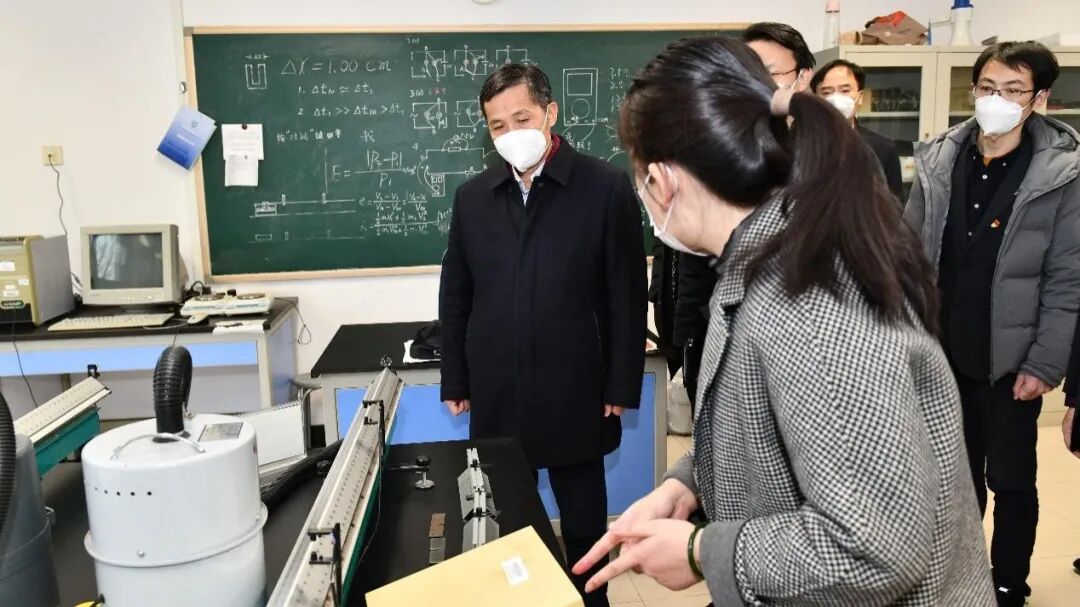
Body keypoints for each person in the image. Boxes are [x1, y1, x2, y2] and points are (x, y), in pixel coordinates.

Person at [573, 36, 994, 605]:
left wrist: (702, 551)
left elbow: (876, 548)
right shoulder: (764, 257)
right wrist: (688, 483)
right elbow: (774, 426)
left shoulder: (806, 299)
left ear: (663, 180)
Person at [438, 63, 647, 606]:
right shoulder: (473, 197)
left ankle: (591, 600)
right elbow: (456, 295)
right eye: (497, 125)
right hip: (498, 387)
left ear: (550, 113)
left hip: (577, 387)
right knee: (509, 521)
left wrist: (621, 384)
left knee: (584, 524)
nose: (511, 133)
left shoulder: (603, 187)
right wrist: (455, 377)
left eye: (522, 118)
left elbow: (627, 294)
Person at [904, 41, 1080, 606]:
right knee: (950, 482)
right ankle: (956, 578)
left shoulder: (1063, 173)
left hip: (1011, 360)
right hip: (940, 352)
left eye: (1013, 90)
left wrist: (1044, 363)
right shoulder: (939, 159)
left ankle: (1007, 583)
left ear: (1039, 98)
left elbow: (1067, 280)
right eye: (987, 88)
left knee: (1011, 481)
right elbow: (906, 255)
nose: (996, 100)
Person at [678, 21, 818, 408]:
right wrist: (687, 341)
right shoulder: (718, 151)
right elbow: (694, 262)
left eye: (771, 72)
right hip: (723, 341)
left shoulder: (828, 156)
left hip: (805, 348)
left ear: (803, 77)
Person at [809, 59, 904, 201]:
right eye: (827, 92)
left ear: (860, 97)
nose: (836, 98)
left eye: (845, 91)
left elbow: (895, 206)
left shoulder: (883, 148)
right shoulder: (798, 145)